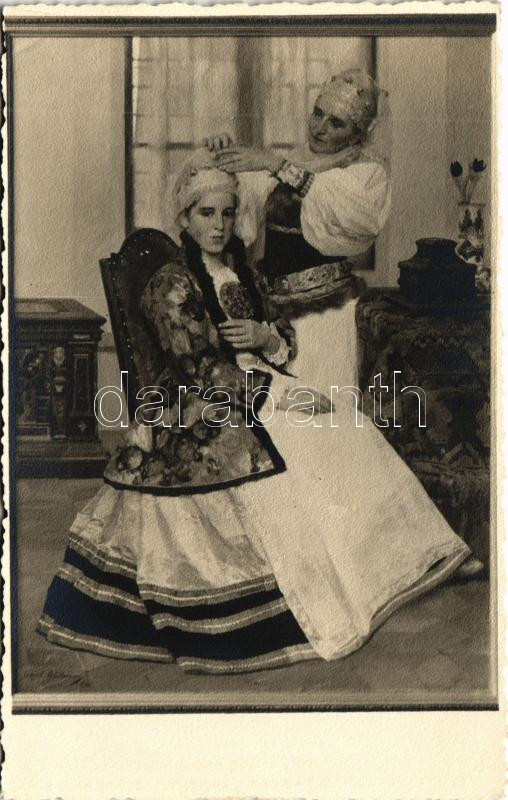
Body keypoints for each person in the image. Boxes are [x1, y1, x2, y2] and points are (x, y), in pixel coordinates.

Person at [38, 150, 470, 675]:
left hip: (259, 383)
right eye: (206, 214)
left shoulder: (241, 268)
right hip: (205, 399)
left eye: (227, 213)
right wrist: (282, 396)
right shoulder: (173, 285)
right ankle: (325, 586)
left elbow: (283, 337)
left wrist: (266, 337)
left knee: (346, 423)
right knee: (310, 437)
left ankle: (394, 565)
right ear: (184, 217)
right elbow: (200, 369)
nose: (218, 226)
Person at [206, 65, 483, 579]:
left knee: (332, 433)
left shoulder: (366, 176)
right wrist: (223, 158)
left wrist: (279, 165)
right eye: (318, 114)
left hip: (326, 320)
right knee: (284, 430)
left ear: (357, 134)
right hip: (276, 319)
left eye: (336, 123)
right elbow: (232, 213)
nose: (320, 128)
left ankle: (410, 553)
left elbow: (349, 219)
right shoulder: (295, 162)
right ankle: (304, 556)